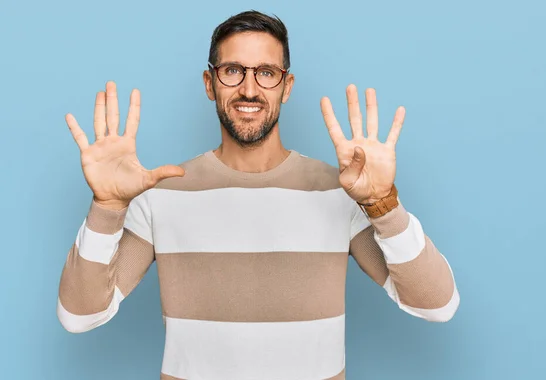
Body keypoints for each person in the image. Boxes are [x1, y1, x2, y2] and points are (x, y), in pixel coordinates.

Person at [57, 10, 460, 380]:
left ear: (287, 86)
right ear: (209, 83)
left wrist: (383, 203)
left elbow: (437, 305)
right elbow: (79, 316)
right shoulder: (161, 195)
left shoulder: (341, 192)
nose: (249, 89)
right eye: (233, 70)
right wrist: (107, 208)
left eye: (266, 73)